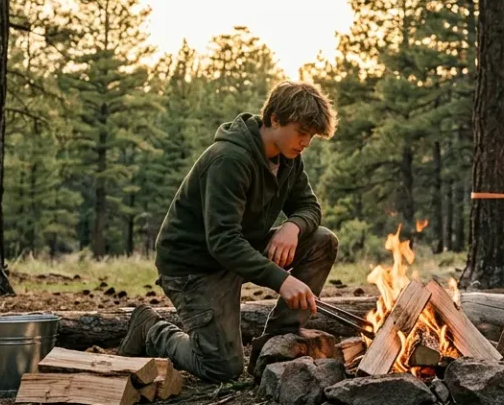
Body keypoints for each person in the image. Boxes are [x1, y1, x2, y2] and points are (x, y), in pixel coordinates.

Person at [118, 81, 340, 382]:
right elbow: (222, 241)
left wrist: (292, 225)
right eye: (302, 132)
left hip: (237, 250)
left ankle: (278, 340)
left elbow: (309, 208)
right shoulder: (229, 159)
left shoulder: (289, 160)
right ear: (275, 119)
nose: (306, 142)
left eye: (311, 136)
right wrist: (282, 281)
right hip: (195, 266)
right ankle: (151, 330)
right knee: (222, 369)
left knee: (322, 241)